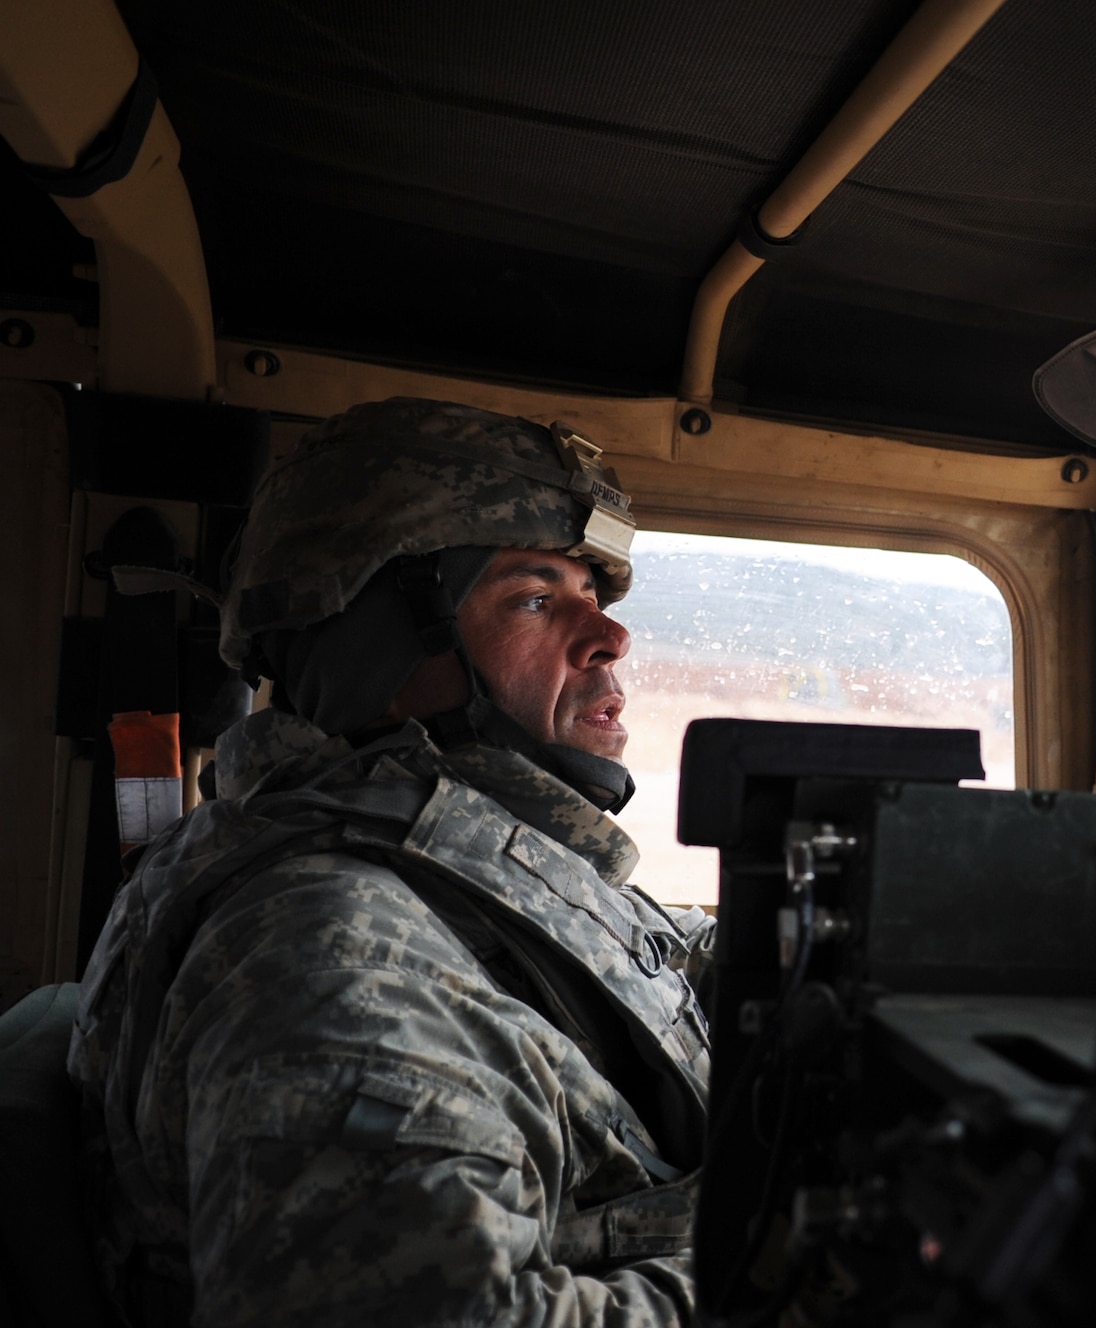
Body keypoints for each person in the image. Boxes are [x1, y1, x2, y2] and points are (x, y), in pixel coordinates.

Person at [68, 398, 714, 1326]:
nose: (611, 638)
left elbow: (645, 957)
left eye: (595, 599)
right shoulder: (329, 953)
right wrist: (834, 1270)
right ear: (373, 645)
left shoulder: (443, 854)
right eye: (535, 598)